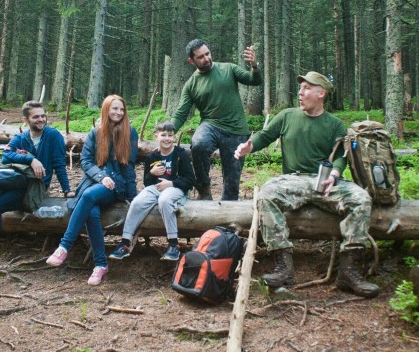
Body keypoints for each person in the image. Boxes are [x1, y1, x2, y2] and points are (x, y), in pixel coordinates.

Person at [234, 71, 379, 298]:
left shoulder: (335, 125)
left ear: (320, 93)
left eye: (306, 89)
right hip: (294, 179)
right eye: (300, 88)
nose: (300, 93)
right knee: (266, 195)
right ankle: (284, 267)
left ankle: (349, 271)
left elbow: (341, 155)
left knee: (360, 199)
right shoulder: (287, 116)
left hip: (324, 181)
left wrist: (336, 174)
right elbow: (265, 135)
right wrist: (248, 146)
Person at [0, 101, 72, 271]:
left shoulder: (53, 136)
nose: (41, 119)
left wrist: (66, 190)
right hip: (15, 183)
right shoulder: (21, 138)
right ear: (26, 119)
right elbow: (6, 155)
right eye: (36, 117)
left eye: (43, 116)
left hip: (34, 189)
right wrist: (31, 159)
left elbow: (59, 164)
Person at [46, 94, 138, 285]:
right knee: (92, 213)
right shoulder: (95, 133)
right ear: (106, 109)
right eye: (114, 108)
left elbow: (129, 165)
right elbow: (86, 162)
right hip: (93, 181)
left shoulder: (131, 132)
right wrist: (100, 176)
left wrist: (133, 197)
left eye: (121, 109)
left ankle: (64, 245)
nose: (118, 112)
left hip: (116, 185)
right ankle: (100, 265)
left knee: (88, 197)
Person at [171, 38, 262, 201]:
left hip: (236, 130)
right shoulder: (191, 84)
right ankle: (204, 187)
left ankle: (226, 220)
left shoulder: (229, 69)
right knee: (198, 144)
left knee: (232, 185)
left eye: (207, 54)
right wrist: (168, 132)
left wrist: (254, 66)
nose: (206, 58)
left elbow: (254, 81)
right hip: (210, 125)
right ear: (192, 60)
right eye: (200, 57)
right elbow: (181, 113)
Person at [108, 121, 196, 261]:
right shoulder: (151, 157)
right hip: (155, 188)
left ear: (174, 137)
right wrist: (152, 173)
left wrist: (171, 183)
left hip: (176, 188)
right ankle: (125, 243)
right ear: (156, 137)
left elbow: (190, 180)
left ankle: (173, 245)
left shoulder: (180, 154)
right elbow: (147, 182)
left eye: (170, 135)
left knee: (164, 200)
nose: (167, 138)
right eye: (163, 135)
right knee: (137, 202)